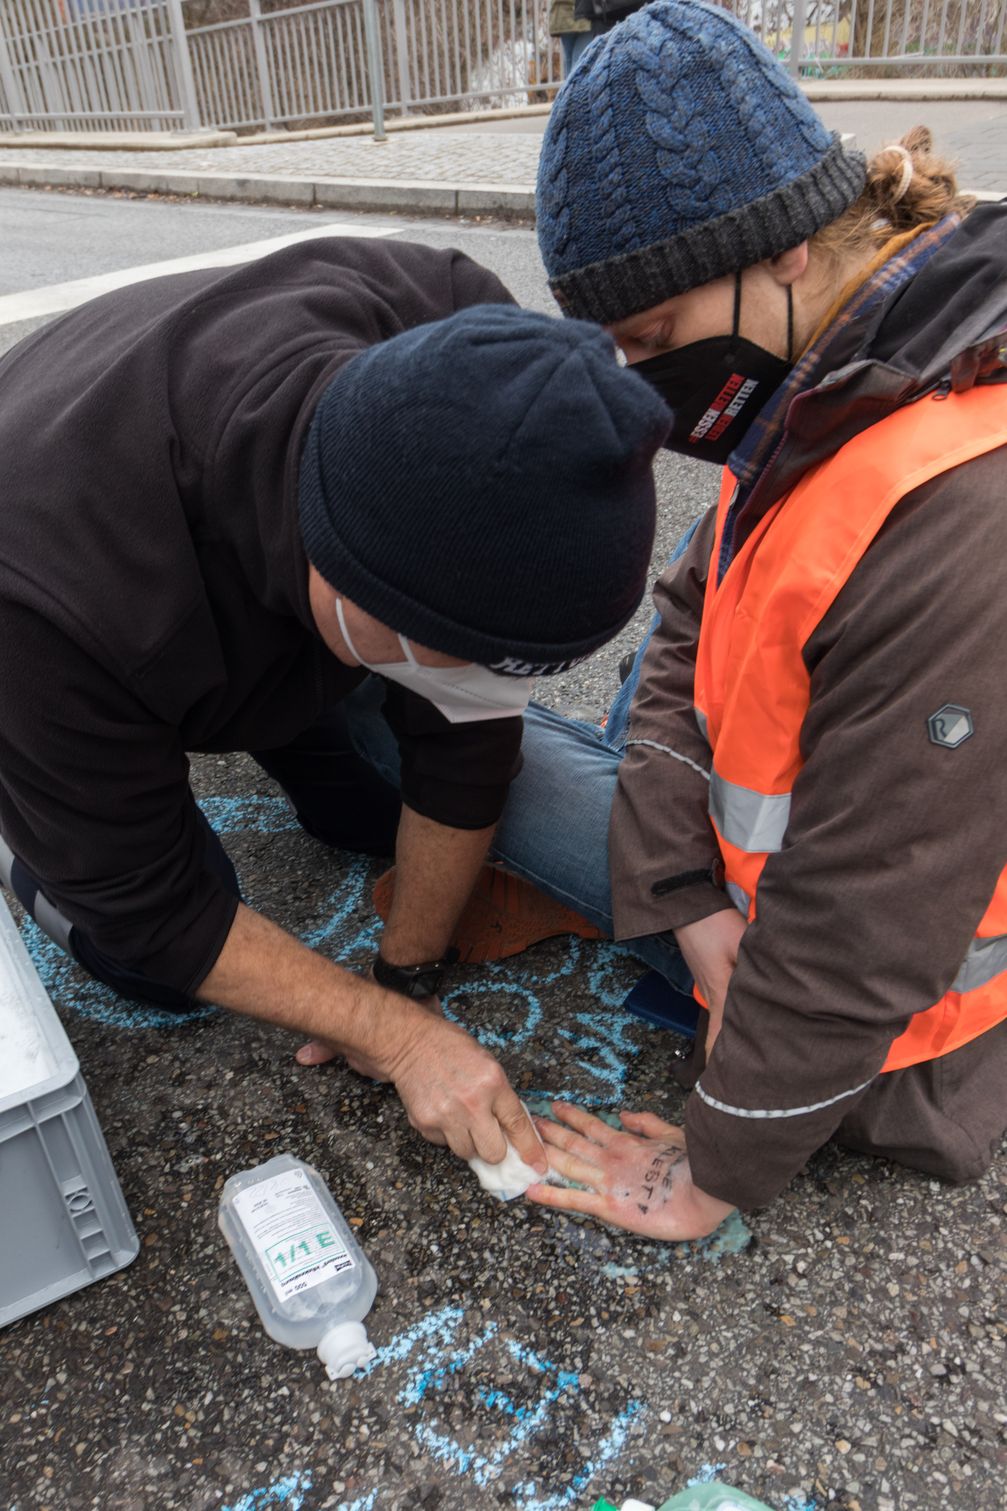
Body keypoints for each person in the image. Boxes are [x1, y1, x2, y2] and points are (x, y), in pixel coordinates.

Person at [496, 0, 1007, 1239]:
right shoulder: (834, 375)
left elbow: (869, 917)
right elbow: (687, 620)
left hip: (906, 1058)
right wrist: (681, 888)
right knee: (504, 756)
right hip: (752, 933)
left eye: (651, 339)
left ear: (782, 246)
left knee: (461, 763)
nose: (647, 390)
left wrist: (715, 1168)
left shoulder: (961, 508)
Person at [0, 237, 671, 1178]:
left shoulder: (463, 343)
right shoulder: (47, 602)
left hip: (246, 573)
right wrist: (397, 1039)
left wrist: (407, 974)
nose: (485, 686)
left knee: (366, 815)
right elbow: (159, 912)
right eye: (458, 653)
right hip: (61, 585)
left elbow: (468, 735)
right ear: (345, 577)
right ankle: (26, 839)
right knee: (146, 958)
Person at [549, 0, 591, 76]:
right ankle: (574, 86)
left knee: (571, 59)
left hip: (564, 13)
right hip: (585, 13)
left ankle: (571, 86)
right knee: (578, 59)